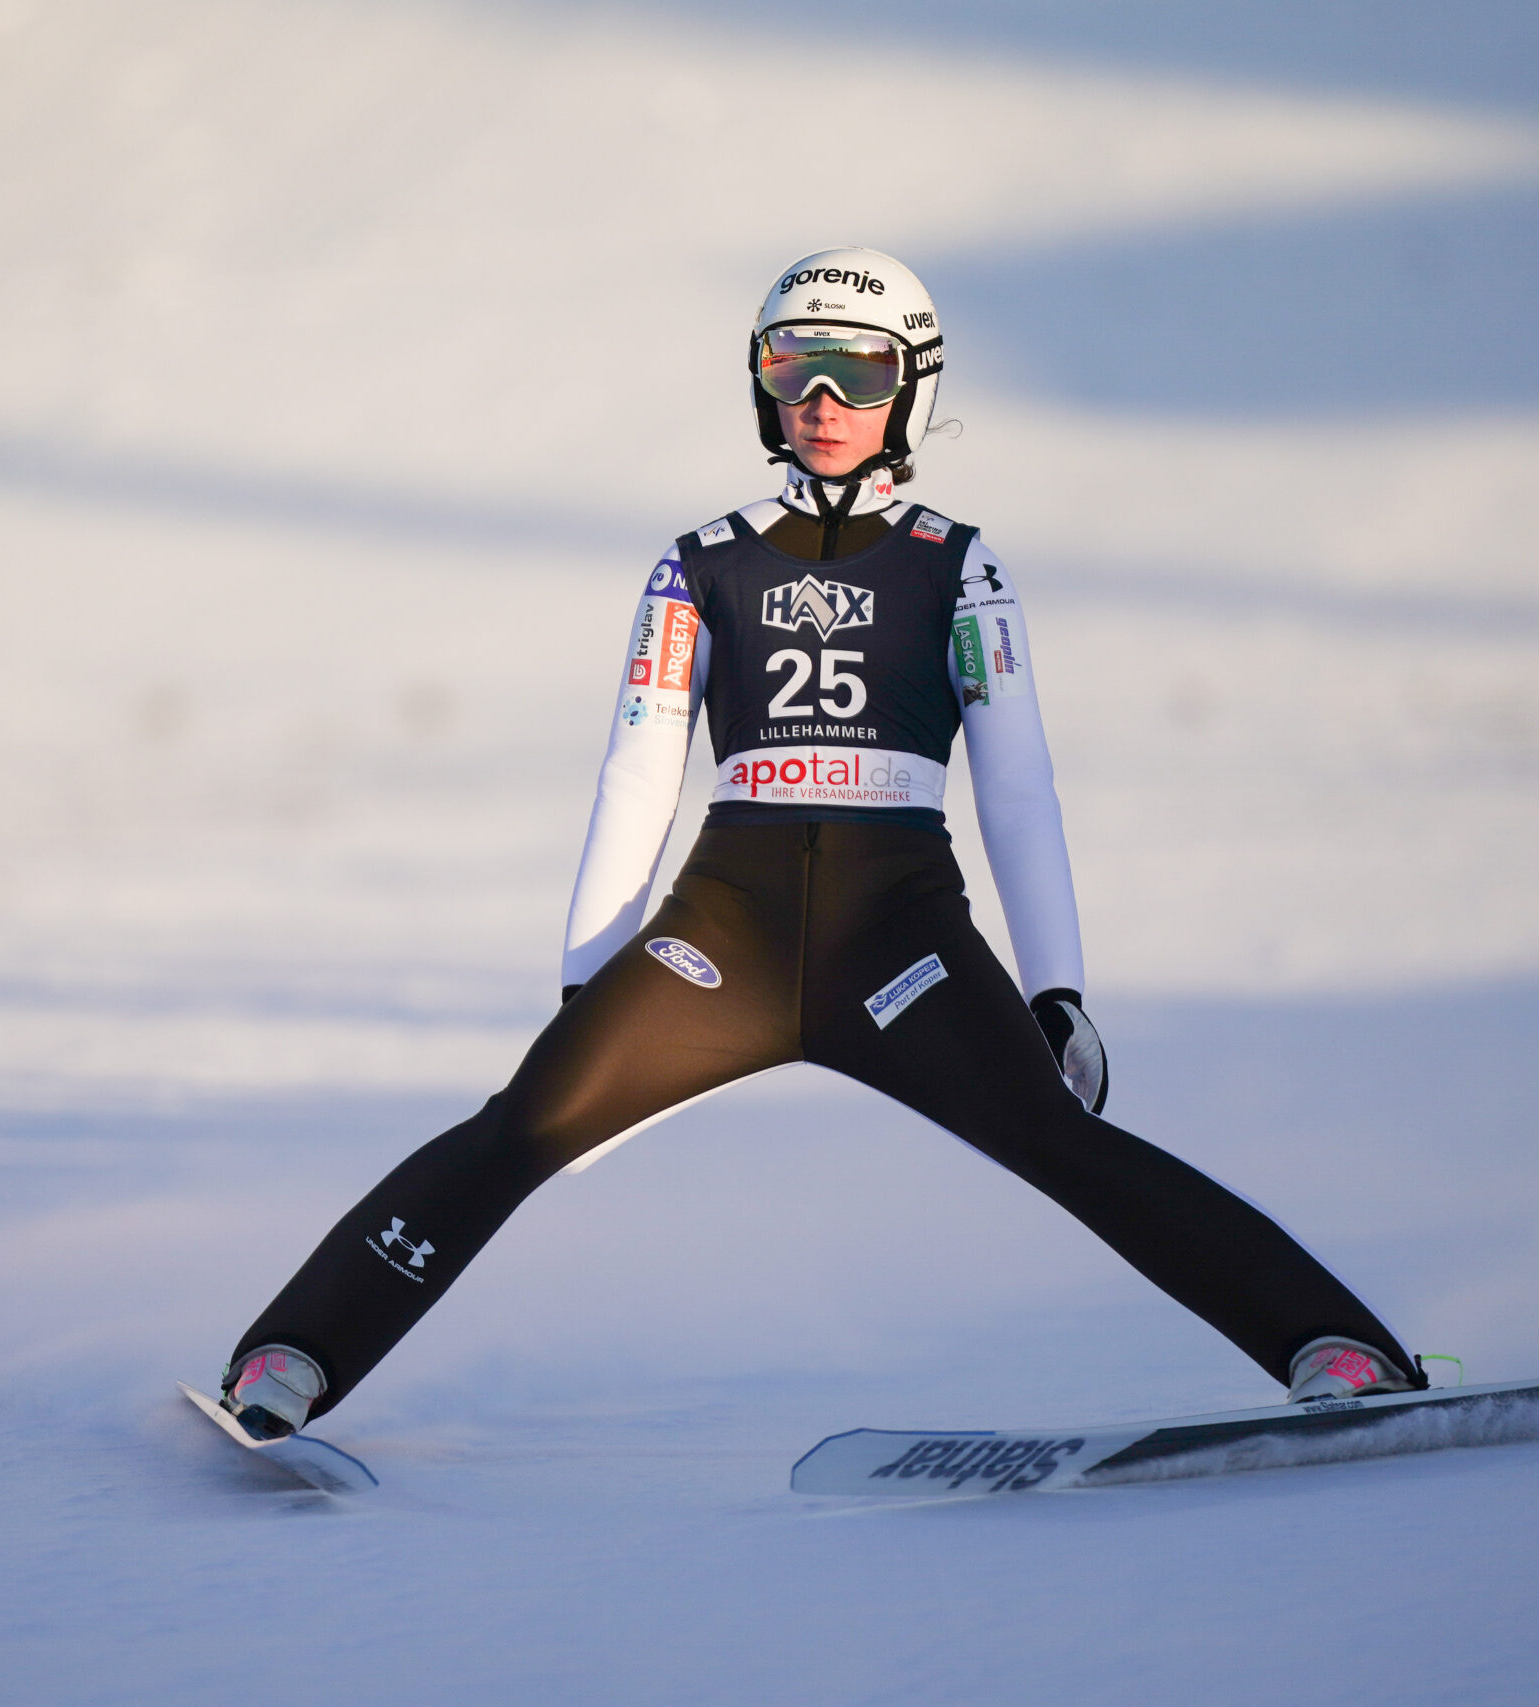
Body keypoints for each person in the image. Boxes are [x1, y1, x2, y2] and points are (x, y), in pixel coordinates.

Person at [215, 247, 1421, 1440]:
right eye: (792, 370)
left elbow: (1017, 789)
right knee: (523, 1125)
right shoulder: (696, 563)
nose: (823, 403)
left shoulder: (961, 565)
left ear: (915, 388)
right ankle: (290, 1359)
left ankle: (1336, 1348)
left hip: (899, 946)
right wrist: (587, 983)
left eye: (859, 372)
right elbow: (638, 770)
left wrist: (1057, 990)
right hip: (719, 945)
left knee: (1061, 1143)